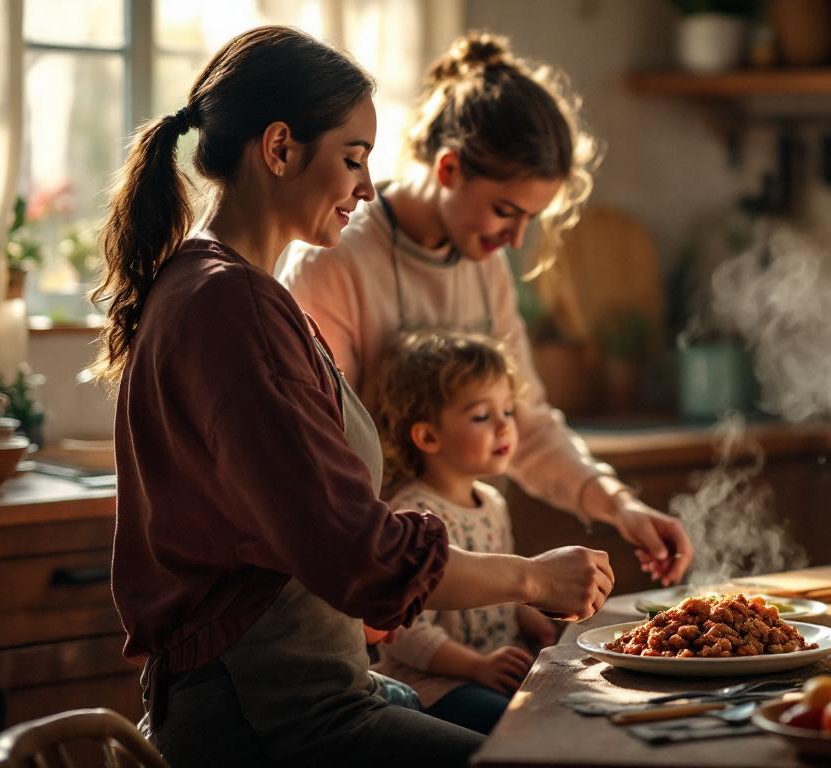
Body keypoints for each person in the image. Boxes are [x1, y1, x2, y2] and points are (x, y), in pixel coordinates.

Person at [96, 26, 612, 768]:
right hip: (271, 719)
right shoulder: (229, 306)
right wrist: (534, 575)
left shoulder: (231, 291)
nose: (367, 187)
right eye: (353, 158)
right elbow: (357, 554)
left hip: (310, 694)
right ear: (279, 150)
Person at [277, 32, 693, 587]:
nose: (515, 240)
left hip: (459, 580)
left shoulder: (485, 263)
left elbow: (525, 420)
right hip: (367, 584)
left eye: (529, 220)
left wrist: (620, 506)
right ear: (448, 170)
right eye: (504, 211)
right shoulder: (332, 261)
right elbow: (327, 467)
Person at [366, 330, 557, 734]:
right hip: (438, 686)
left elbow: (502, 590)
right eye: (482, 416)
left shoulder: (493, 503)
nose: (504, 427)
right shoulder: (412, 515)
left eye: (507, 411)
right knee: (520, 729)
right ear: (428, 436)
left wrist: (528, 617)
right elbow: (402, 633)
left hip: (497, 672)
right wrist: (477, 666)